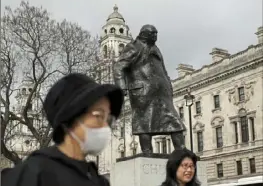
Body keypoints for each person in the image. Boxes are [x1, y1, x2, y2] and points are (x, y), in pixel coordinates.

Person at [1, 73, 124, 186]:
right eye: (98, 116)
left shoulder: (99, 181)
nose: (105, 126)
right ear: (70, 118)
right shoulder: (33, 174)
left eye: (108, 119)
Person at [113, 24, 186, 154]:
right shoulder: (134, 46)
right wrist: (121, 87)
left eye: (156, 33)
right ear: (144, 34)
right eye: (152, 33)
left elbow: (162, 70)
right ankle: (147, 151)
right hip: (142, 92)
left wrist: (168, 85)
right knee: (144, 123)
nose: (155, 36)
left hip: (161, 93)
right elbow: (119, 67)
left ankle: (181, 151)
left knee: (174, 121)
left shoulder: (156, 48)